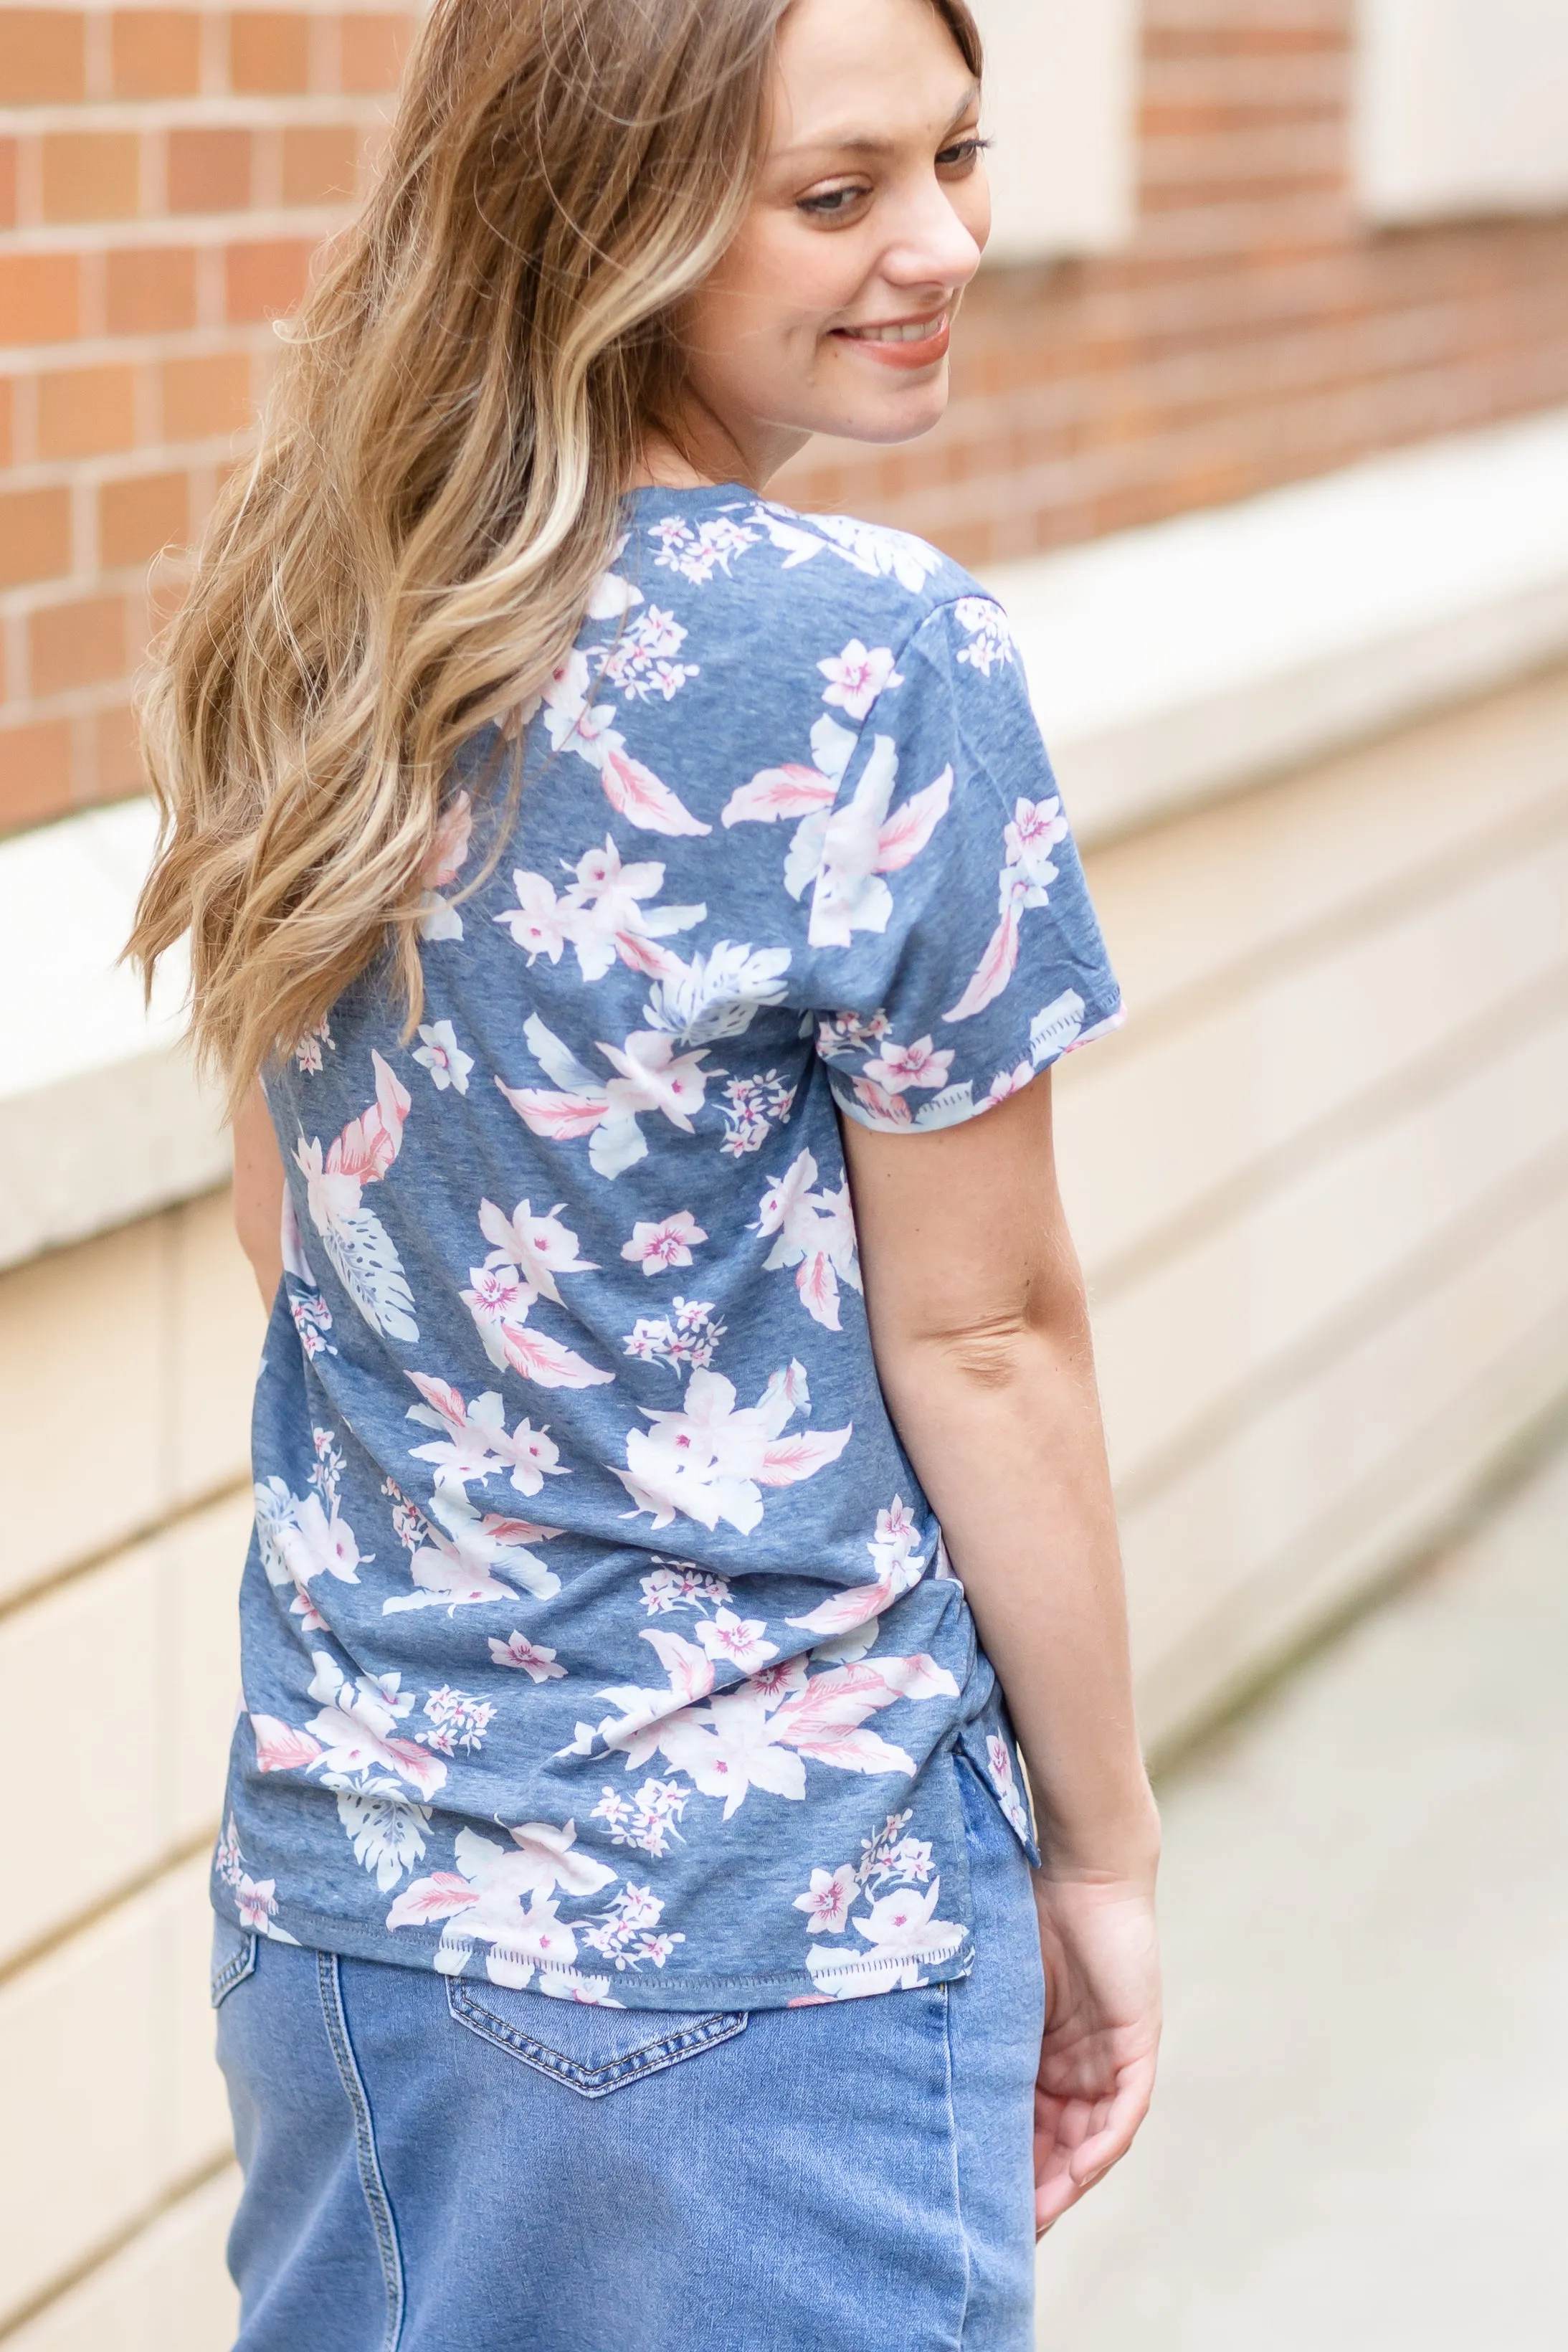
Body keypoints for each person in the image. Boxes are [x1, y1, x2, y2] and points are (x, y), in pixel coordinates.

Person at [131, 0, 1161, 2343]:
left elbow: (291, 1228)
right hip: (775, 1938)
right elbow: (987, 1336)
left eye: (959, 157)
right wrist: (1105, 1849)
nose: (941, 244)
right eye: (837, 195)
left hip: (348, 1910)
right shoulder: (877, 651)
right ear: (602, 220)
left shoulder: (320, 612)